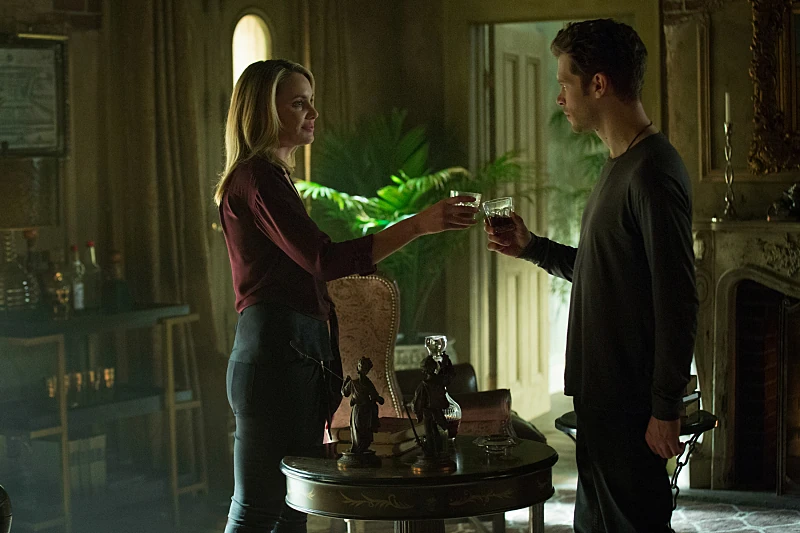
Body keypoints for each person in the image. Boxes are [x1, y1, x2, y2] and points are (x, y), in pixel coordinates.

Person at [214, 59, 477, 533]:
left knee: (293, 506)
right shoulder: (258, 179)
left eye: (311, 101)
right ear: (263, 111)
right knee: (257, 510)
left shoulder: (273, 177)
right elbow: (324, 260)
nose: (313, 113)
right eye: (299, 103)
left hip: (296, 355)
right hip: (274, 359)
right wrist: (418, 225)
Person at [484, 19, 698, 533]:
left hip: (630, 403)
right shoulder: (619, 165)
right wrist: (533, 247)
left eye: (565, 83)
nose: (559, 97)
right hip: (602, 399)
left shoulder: (652, 171)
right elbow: (605, 271)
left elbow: (677, 296)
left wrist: (666, 406)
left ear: (598, 84)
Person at [341, 356, 384, 453]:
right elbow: (345, 393)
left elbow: (344, 392)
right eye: (361, 366)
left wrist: (345, 382)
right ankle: (358, 450)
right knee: (360, 431)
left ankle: (359, 450)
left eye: (364, 367)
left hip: (364, 410)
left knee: (362, 431)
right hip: (363, 410)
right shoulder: (356, 382)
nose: (363, 368)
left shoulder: (361, 383)